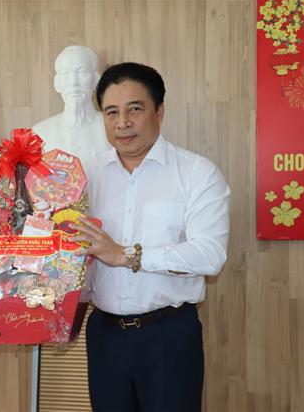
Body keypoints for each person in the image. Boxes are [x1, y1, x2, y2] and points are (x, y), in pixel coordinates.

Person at [72, 62, 230, 412]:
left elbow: (210, 255)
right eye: (111, 112)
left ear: (159, 111)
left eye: (135, 109)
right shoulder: (85, 175)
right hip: (104, 334)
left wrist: (126, 255)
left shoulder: (196, 173)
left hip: (168, 335)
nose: (122, 122)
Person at [32, 45, 111, 163]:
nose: (73, 82)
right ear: (57, 83)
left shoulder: (112, 127)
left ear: (96, 80)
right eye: (66, 74)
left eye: (82, 73)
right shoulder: (40, 133)